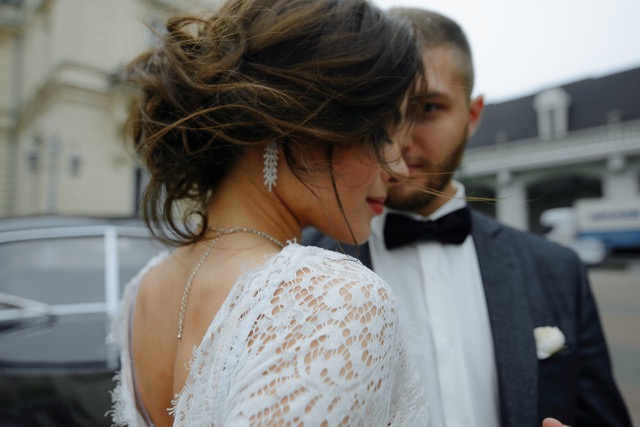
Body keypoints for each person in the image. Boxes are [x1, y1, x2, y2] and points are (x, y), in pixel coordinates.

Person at [106, 0, 432, 425]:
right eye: (385, 130)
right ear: (294, 121)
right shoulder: (332, 299)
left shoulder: (143, 290)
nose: (399, 168)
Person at [304, 7, 632, 427]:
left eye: (427, 108)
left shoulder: (556, 269)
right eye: (382, 109)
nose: (399, 137)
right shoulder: (300, 266)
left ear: (473, 115)